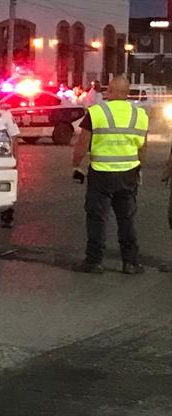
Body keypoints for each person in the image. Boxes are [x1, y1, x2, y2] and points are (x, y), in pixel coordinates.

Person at [71, 75, 149, 274]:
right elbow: (143, 148)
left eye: (108, 89)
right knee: (127, 219)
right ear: (128, 93)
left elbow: (82, 144)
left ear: (112, 91)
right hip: (128, 174)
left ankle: (94, 261)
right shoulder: (140, 115)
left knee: (97, 218)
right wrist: (139, 169)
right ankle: (130, 262)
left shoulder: (96, 112)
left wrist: (76, 166)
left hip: (101, 175)